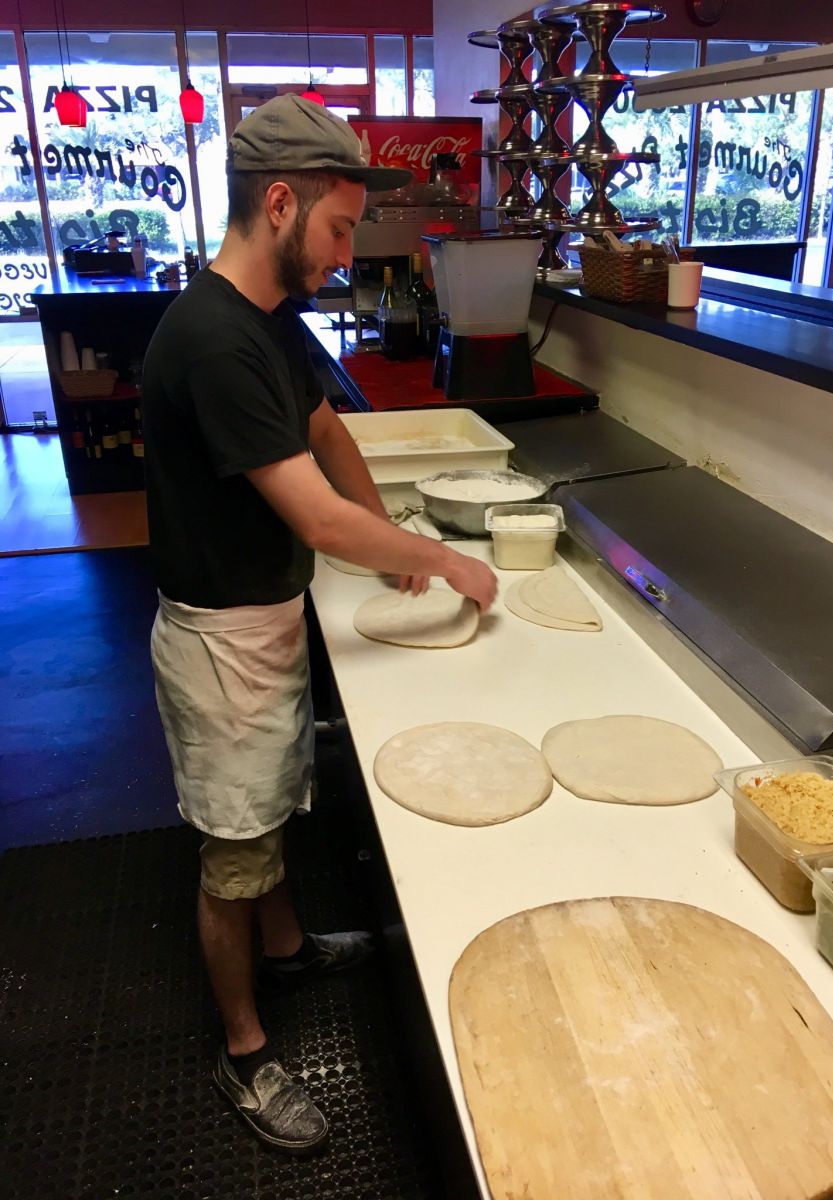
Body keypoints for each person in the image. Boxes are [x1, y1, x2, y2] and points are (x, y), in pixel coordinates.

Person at [142, 95, 497, 1155]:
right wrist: (438, 560)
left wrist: (386, 532)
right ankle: (246, 1051)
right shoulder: (210, 338)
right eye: (339, 230)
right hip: (221, 645)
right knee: (235, 849)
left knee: (275, 804)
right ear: (281, 202)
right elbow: (310, 513)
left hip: (267, 616)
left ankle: (288, 947)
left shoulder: (263, 324)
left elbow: (323, 427)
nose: (347, 254)